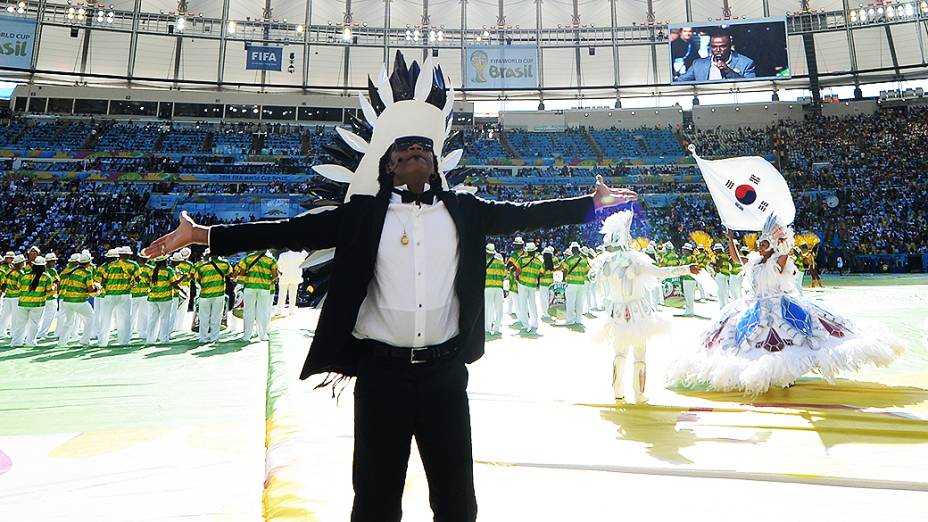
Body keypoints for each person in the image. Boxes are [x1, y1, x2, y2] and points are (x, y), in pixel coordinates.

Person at [141, 50, 636, 522]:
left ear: (436, 163)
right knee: (376, 501)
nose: (415, 152)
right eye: (404, 150)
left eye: (424, 148)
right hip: (380, 376)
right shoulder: (362, 216)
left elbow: (526, 216)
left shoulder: (465, 211)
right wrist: (205, 236)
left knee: (457, 501)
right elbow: (288, 231)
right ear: (389, 166)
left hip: (445, 375)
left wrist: (588, 205)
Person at [668, 214, 905, 395]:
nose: (759, 246)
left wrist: (783, 239)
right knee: (749, 343)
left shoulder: (779, 260)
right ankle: (768, 376)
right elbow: (736, 259)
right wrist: (729, 237)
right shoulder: (755, 261)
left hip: (780, 305)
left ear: (772, 245)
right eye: (759, 243)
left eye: (764, 243)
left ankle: (787, 375)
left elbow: (785, 252)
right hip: (756, 306)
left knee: (791, 341)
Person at [599, 211, 699, 402]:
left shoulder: (606, 264)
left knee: (619, 353)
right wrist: (686, 269)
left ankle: (617, 391)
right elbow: (661, 272)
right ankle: (639, 394)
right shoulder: (636, 261)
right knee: (639, 355)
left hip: (618, 313)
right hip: (637, 313)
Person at [675, 30, 756, 82]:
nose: (718, 50)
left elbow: (751, 86)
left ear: (730, 46)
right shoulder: (698, 64)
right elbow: (680, 82)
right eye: (714, 47)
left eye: (722, 46)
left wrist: (728, 71)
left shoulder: (746, 63)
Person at [98, 246, 137, 347]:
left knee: (105, 319)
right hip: (124, 294)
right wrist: (131, 284)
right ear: (129, 255)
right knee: (124, 319)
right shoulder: (133, 265)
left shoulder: (107, 266)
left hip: (109, 294)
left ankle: (102, 342)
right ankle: (124, 341)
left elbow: (100, 280)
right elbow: (138, 278)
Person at [12, 256, 55, 347]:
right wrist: (54, 288)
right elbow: (49, 291)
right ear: (44, 266)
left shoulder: (24, 275)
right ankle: (30, 342)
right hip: (38, 304)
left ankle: (16, 342)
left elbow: (19, 286)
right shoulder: (46, 277)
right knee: (34, 324)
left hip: (23, 302)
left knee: (20, 323)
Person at [235, 250, 278, 341]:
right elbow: (275, 275)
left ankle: (246, 336)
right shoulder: (271, 259)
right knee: (263, 311)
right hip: (264, 288)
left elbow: (241, 272)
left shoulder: (248, 258)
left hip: (249, 287)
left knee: (248, 311)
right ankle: (262, 335)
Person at [58, 252, 98, 347]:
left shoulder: (71, 271)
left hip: (67, 300)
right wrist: (97, 288)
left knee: (69, 322)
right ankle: (84, 340)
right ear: (88, 263)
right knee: (91, 318)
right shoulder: (88, 272)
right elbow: (90, 289)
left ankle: (62, 342)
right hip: (79, 300)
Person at [194, 249, 233, 343]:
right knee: (216, 317)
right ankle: (214, 338)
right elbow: (230, 274)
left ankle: (203, 338)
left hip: (204, 295)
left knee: (204, 317)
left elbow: (197, 280)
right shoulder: (225, 264)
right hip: (219, 294)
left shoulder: (201, 266)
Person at [146, 255, 182, 344]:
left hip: (153, 297)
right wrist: (182, 279)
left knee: (152, 319)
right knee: (165, 319)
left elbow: (147, 282)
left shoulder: (151, 270)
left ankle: (150, 340)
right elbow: (174, 283)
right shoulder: (168, 270)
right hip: (165, 298)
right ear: (164, 261)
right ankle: (164, 339)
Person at [560, 242, 591, 326]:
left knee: (570, 303)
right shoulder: (584, 260)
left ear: (572, 250)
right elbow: (588, 271)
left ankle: (570, 320)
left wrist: (563, 280)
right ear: (578, 250)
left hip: (571, 283)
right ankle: (578, 320)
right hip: (581, 283)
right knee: (579, 302)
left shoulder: (569, 259)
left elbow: (565, 270)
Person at [515, 241, 542, 333]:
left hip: (522, 283)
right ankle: (535, 324)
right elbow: (541, 272)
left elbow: (517, 271)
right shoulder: (538, 261)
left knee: (523, 304)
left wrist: (517, 278)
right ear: (534, 251)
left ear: (527, 251)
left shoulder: (521, 259)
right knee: (533, 304)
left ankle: (525, 324)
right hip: (533, 285)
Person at [276, 250, 308, 316]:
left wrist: (282, 270)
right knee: (293, 295)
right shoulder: (299, 255)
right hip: (295, 277)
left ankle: (279, 311)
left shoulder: (282, 255)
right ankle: (291, 310)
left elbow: (278, 266)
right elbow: (306, 255)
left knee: (282, 295)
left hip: (284, 277)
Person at [36, 252, 60, 339]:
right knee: (49, 316)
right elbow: (57, 281)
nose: (55, 262)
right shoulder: (52, 270)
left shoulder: (42, 270)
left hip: (42, 296)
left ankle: (38, 332)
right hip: (51, 296)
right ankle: (42, 333)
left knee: (41, 315)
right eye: (53, 261)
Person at [484, 243, 506, 335]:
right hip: (499, 287)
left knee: (488, 308)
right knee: (499, 309)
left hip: (488, 287)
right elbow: (504, 275)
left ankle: (487, 328)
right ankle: (497, 328)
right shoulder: (500, 263)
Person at [130, 252, 153, 339]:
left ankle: (129, 333)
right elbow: (152, 282)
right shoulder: (150, 269)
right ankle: (142, 333)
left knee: (131, 314)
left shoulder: (133, 267)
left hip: (133, 294)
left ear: (139, 258)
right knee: (144, 314)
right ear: (147, 259)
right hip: (144, 294)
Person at [0, 252, 22, 338]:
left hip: (7, 295)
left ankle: (1, 332)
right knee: (15, 316)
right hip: (16, 296)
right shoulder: (20, 273)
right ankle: (13, 333)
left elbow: (4, 283)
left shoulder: (9, 270)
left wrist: (3, 292)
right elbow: (20, 286)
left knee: (5, 315)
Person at [506, 237, 525, 323]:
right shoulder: (526, 252)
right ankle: (523, 313)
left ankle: (520, 318)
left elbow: (509, 265)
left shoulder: (514, 254)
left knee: (515, 298)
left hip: (514, 278)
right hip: (524, 278)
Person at [678, 243, 698, 316]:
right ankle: (689, 311)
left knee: (689, 295)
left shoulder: (688, 258)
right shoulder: (689, 257)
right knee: (689, 295)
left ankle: (689, 311)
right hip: (689, 278)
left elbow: (682, 266)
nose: (683, 251)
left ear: (687, 250)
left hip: (688, 278)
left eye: (684, 249)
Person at [710, 243, 732, 309]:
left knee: (720, 291)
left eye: (715, 250)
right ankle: (725, 305)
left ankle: (722, 306)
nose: (715, 251)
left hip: (720, 274)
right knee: (725, 290)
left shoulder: (719, 256)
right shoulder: (726, 255)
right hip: (726, 274)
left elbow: (719, 264)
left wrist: (712, 265)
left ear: (718, 250)